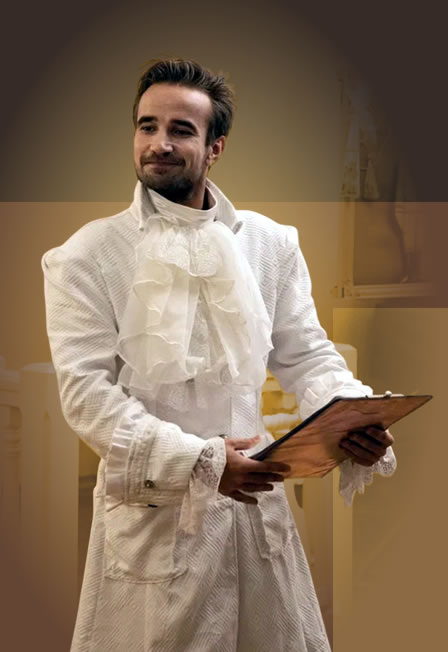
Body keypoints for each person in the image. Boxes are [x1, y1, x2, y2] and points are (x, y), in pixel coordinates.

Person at [42, 58, 395, 652]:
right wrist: (198, 461)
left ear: (215, 147)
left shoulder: (270, 245)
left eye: (181, 130)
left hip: (255, 513)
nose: (159, 143)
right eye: (147, 126)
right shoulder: (85, 256)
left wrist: (353, 415)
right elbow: (87, 398)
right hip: (154, 518)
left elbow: (308, 356)